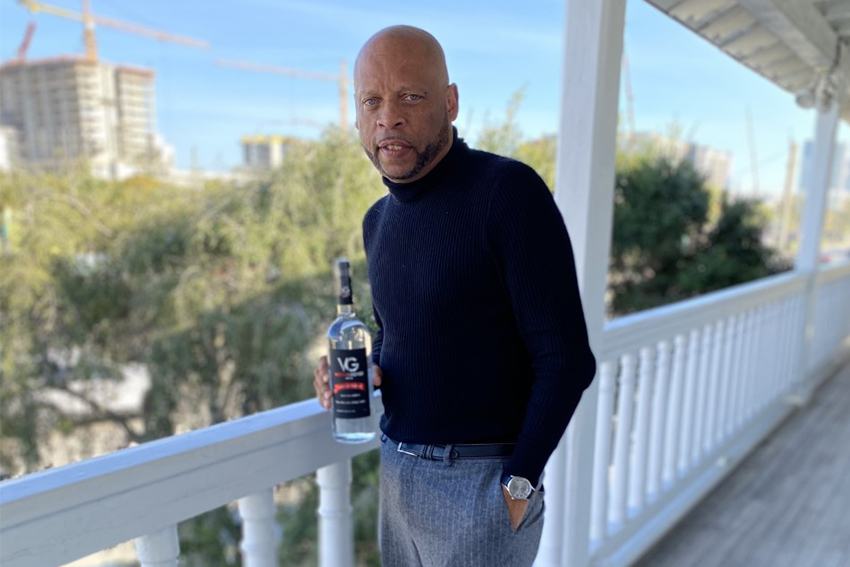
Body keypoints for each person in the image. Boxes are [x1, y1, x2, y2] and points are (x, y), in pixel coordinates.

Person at [313, 25, 597, 566]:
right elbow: (396, 335)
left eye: (409, 96)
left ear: (450, 103)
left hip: (480, 486)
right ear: (357, 119)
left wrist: (517, 485)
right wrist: (362, 371)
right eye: (371, 101)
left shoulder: (507, 192)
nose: (388, 117)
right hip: (395, 471)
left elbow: (566, 360)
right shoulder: (378, 221)